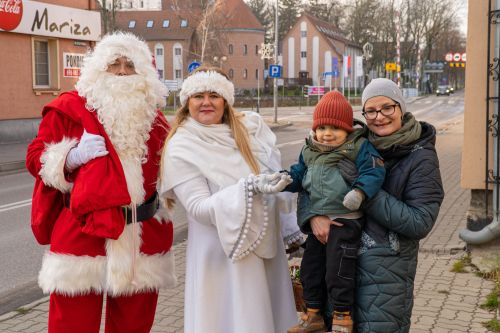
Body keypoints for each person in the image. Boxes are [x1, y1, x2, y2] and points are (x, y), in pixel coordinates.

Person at [26, 32, 176, 333]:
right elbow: (35, 158)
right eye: (113, 65)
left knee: (134, 326)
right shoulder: (69, 108)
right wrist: (71, 156)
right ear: (98, 70)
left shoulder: (157, 120)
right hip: (82, 232)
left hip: (142, 235)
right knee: (73, 326)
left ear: (144, 72)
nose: (121, 72)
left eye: (129, 65)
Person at [159, 66, 299, 333]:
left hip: (264, 248)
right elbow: (199, 208)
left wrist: (289, 222)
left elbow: (275, 184)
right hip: (220, 255)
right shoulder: (181, 145)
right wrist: (249, 188)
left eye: (214, 95)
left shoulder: (249, 132)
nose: (206, 102)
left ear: (226, 100)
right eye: (198, 95)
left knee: (267, 316)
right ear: (187, 102)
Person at [301, 78, 444, 332]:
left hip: (384, 278)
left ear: (400, 107)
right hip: (335, 267)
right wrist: (313, 217)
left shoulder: (420, 157)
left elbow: (420, 221)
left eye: (387, 108)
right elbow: (308, 181)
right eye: (371, 110)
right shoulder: (350, 143)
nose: (379, 117)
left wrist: (365, 192)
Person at [283, 91, 386, 333]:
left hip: (345, 220)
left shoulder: (358, 146)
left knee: (339, 271)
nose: (326, 134)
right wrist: (285, 180)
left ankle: (342, 316)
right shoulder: (310, 149)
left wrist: (359, 193)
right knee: (311, 269)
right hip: (317, 219)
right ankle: (314, 314)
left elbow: (374, 172)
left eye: (334, 129)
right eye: (321, 128)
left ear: (348, 129)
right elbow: (299, 173)